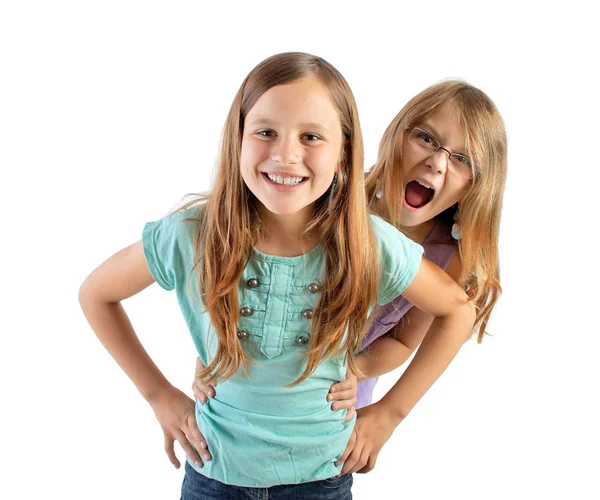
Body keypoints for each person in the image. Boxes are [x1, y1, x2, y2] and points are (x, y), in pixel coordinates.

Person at [79, 52, 474, 499]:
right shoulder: (192, 233)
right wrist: (158, 396)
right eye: (266, 131)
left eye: (311, 136)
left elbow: (457, 311)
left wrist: (390, 413)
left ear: (344, 154)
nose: (286, 154)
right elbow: (97, 294)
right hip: (213, 473)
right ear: (238, 140)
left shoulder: (368, 241)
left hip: (322, 478)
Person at [194, 80, 507, 477]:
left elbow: (403, 341)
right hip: (252, 382)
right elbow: (247, 277)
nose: (437, 162)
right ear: (396, 135)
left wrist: (377, 402)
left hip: (333, 397)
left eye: (462, 158)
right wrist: (209, 353)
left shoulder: (449, 257)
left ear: (475, 186)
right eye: (426, 138)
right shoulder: (333, 199)